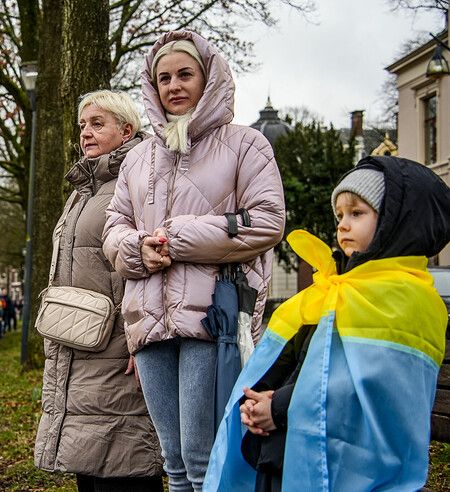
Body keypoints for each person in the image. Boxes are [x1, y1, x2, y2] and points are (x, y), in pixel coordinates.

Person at [102, 31, 285, 491]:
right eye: (163, 77)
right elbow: (114, 227)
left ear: (209, 79)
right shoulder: (138, 158)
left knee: (205, 461)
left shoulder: (246, 145)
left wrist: (177, 238)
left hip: (211, 320)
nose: (174, 85)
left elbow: (267, 221)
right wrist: (137, 249)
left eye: (185, 74)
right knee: (175, 462)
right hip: (148, 322)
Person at [204, 156, 450, 491]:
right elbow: (290, 356)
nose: (343, 225)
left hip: (345, 467)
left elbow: (361, 390)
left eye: (357, 213)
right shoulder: (334, 290)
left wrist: (276, 408)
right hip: (284, 451)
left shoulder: (406, 300)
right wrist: (255, 398)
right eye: (340, 216)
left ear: (397, 222)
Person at [35, 89, 164, 491]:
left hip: (117, 352)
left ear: (127, 130)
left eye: (97, 124)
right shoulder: (81, 191)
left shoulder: (143, 181)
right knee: (88, 469)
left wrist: (142, 341)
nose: (85, 133)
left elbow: (155, 263)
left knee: (126, 466)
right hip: (77, 349)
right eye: (81, 125)